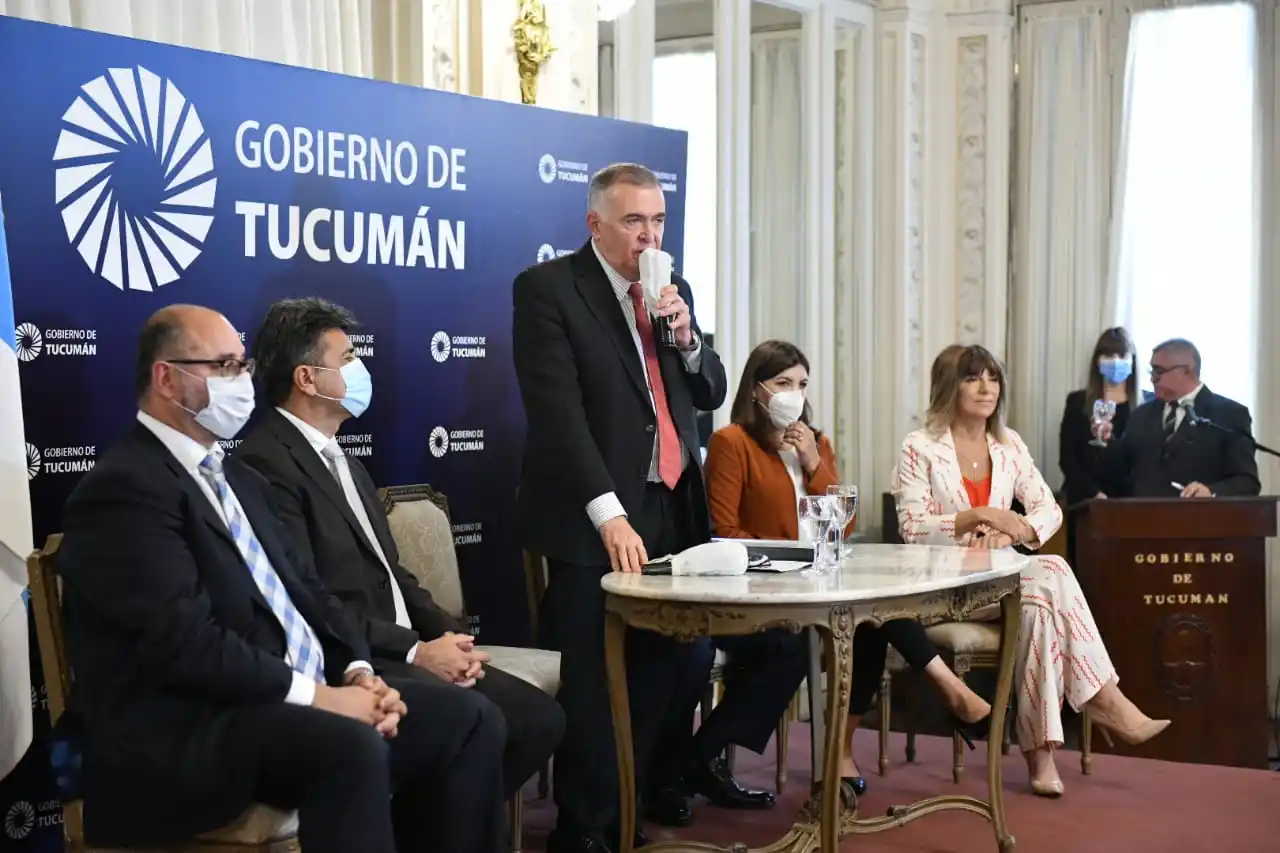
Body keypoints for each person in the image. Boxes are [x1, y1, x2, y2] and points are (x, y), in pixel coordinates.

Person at [56, 305, 506, 853]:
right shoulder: (125, 488)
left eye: (242, 365)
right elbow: (183, 645)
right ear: (166, 378)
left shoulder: (235, 478)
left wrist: (359, 673)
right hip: (190, 728)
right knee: (348, 744)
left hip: (282, 702)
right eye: (222, 366)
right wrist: (322, 698)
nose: (240, 381)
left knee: (469, 718)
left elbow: (306, 593)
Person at [238, 297, 565, 799]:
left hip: (407, 646)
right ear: (306, 379)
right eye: (347, 358)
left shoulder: (344, 459)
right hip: (358, 658)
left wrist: (449, 639)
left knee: (540, 719)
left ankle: (437, 827)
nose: (360, 367)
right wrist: (415, 650)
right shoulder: (266, 463)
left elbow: (393, 575)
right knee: (481, 723)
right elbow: (309, 598)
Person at [512, 162, 728, 853]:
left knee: (659, 671)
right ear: (595, 223)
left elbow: (709, 393)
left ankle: (625, 810)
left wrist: (688, 337)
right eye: (634, 221)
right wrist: (607, 513)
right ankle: (582, 830)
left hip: (669, 506)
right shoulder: (548, 290)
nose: (649, 235)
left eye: (658, 220)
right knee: (596, 677)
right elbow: (558, 415)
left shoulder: (670, 290)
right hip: (593, 515)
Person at [703, 339, 990, 796]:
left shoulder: (816, 443)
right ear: (756, 390)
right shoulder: (730, 442)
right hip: (760, 591)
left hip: (817, 585)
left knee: (871, 621)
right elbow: (725, 530)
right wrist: (790, 559)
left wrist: (814, 464)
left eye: (801, 384)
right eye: (782, 383)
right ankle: (947, 688)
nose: (793, 394)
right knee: (797, 645)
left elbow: (845, 519)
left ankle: (840, 749)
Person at [893, 343, 1170, 797]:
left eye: (993, 377)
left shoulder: (1009, 444)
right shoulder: (919, 447)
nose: (987, 388)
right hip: (943, 585)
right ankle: (1101, 700)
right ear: (948, 386)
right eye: (972, 377)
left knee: (1041, 600)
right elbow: (912, 529)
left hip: (1002, 578)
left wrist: (1012, 530)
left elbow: (1048, 509)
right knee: (1052, 571)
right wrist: (977, 517)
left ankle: (1042, 752)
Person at [1094, 337, 1260, 498]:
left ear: (1187, 370)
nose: (1153, 379)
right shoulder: (1141, 415)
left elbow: (1247, 482)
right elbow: (1120, 478)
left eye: (1159, 371)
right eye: (1151, 371)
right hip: (1144, 521)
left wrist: (1211, 492)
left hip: (1201, 520)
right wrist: (1107, 442)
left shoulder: (1229, 414)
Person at [1058, 327, 1139, 505]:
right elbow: (1068, 459)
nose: (1115, 361)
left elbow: (1145, 461)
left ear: (1132, 361)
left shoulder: (1147, 405)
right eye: (1108, 355)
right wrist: (1094, 494)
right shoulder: (1077, 402)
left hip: (1132, 503)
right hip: (1085, 501)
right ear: (1097, 360)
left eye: (1122, 355)